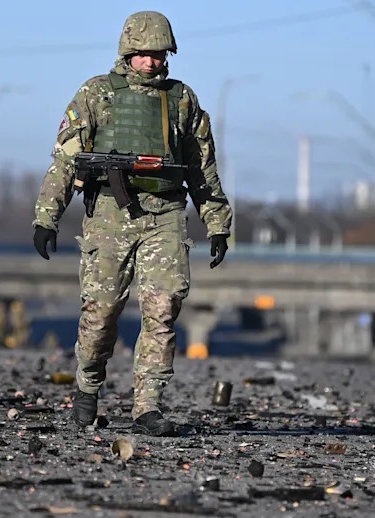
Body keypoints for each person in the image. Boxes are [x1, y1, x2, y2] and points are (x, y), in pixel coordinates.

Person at [32, 10, 233, 437]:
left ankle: (148, 405)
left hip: (165, 214)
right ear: (127, 52)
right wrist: (47, 216)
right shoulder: (96, 93)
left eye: (158, 54)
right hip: (109, 214)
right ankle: (87, 384)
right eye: (142, 53)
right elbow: (66, 160)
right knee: (101, 312)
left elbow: (202, 168)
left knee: (163, 309)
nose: (151, 62)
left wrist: (216, 222)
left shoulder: (182, 100)